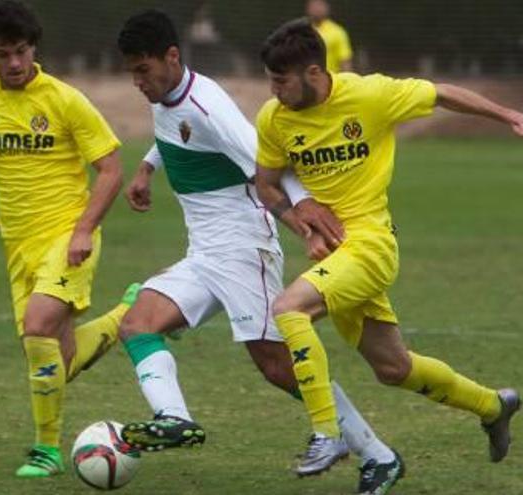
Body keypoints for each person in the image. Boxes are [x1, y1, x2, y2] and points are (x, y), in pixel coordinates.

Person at [114, 11, 403, 494]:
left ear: (171, 57)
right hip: (206, 252)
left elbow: (263, 162)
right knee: (137, 324)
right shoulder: (165, 94)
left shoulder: (209, 106)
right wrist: (146, 167)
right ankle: (173, 418)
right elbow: (173, 130)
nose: (137, 82)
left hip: (245, 247)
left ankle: (378, 455)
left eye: (143, 70)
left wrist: (302, 215)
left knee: (278, 366)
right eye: (131, 72)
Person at [254, 19, 523, 479]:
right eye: (270, 80)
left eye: (280, 81)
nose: (273, 91)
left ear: (313, 72)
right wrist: (301, 221)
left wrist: (513, 117)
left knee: (288, 310)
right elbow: (265, 185)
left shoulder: (369, 96)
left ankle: (327, 434)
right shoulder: (274, 118)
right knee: (394, 368)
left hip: (371, 244)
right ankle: (493, 405)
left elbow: (442, 92)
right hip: (334, 257)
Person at [0, 0, 137, 478]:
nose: (14, 63)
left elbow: (110, 169)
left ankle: (47, 450)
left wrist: (83, 229)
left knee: (38, 326)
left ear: (33, 48)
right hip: (16, 242)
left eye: (20, 51)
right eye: (3, 54)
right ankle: (125, 318)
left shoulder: (64, 99)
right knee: (53, 356)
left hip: (68, 236)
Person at [306, 0, 353, 73]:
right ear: (308, 8)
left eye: (320, 5)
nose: (317, 9)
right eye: (313, 5)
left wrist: (346, 81)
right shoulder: (301, 31)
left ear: (326, 8)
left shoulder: (337, 32)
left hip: (331, 81)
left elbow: (345, 62)